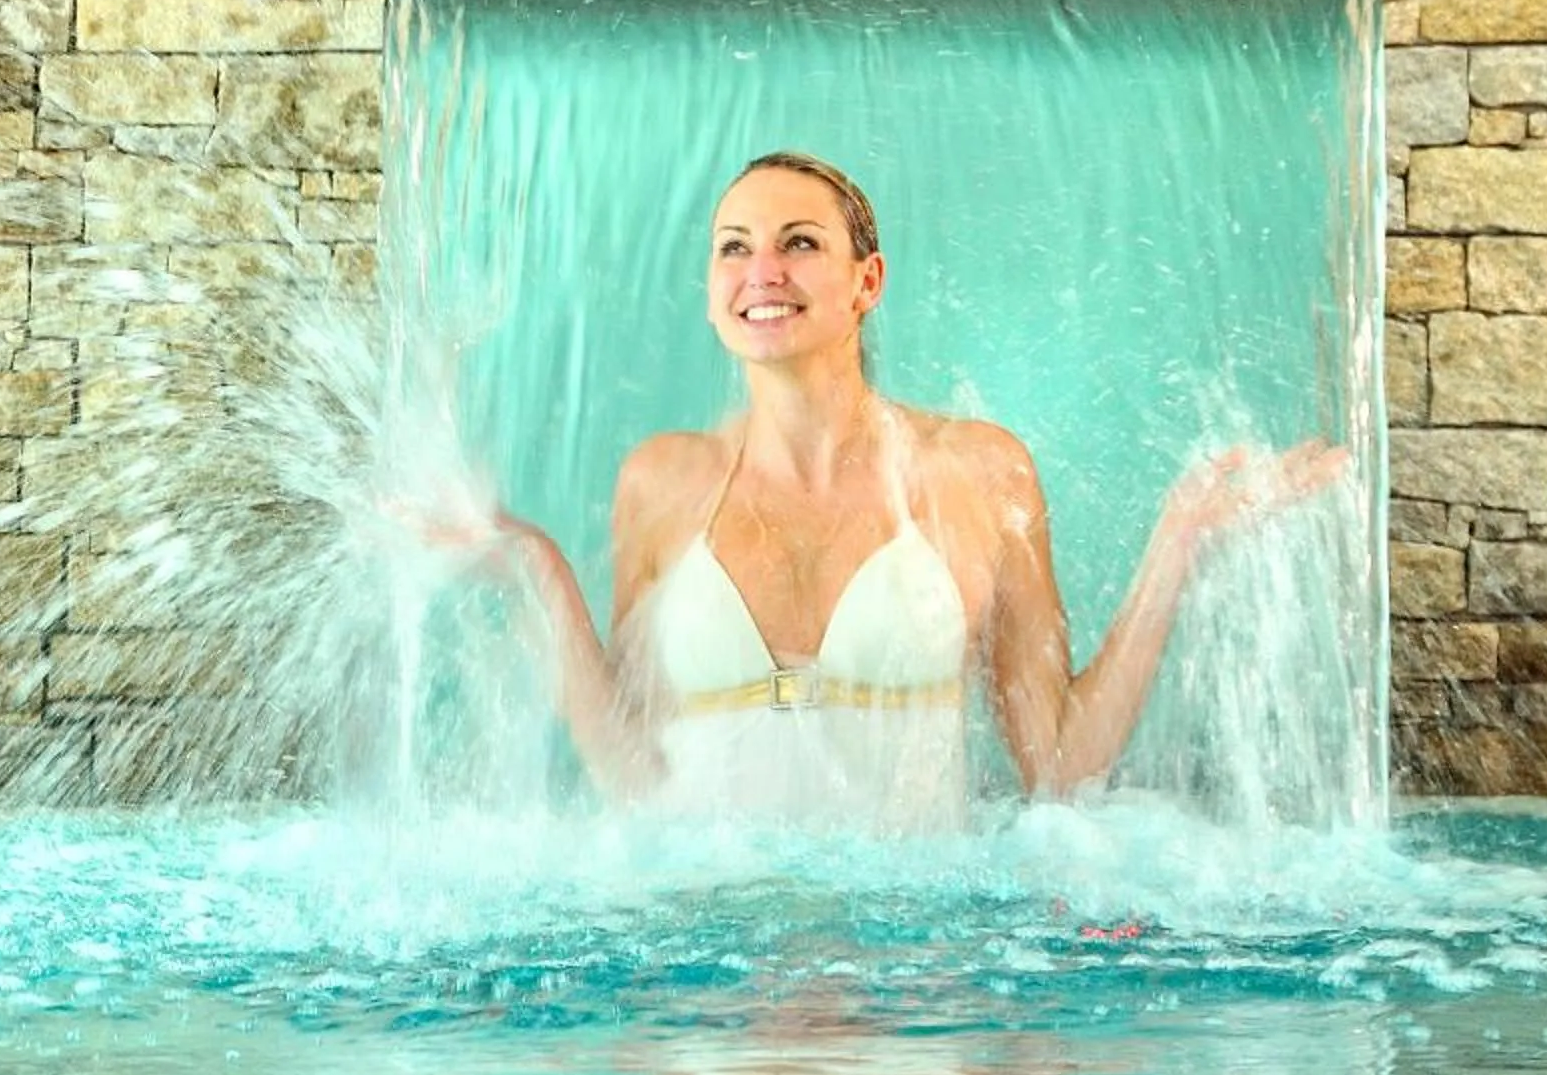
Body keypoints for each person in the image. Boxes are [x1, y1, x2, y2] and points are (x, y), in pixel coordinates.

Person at [435, 150, 1347, 831]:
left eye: (800, 243)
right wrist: (535, 566)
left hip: (912, 981)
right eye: (733, 248)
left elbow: (1059, 770)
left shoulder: (975, 472)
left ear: (867, 280)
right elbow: (635, 774)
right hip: (707, 980)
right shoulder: (663, 482)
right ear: (712, 290)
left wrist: (1179, 539)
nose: (763, 272)